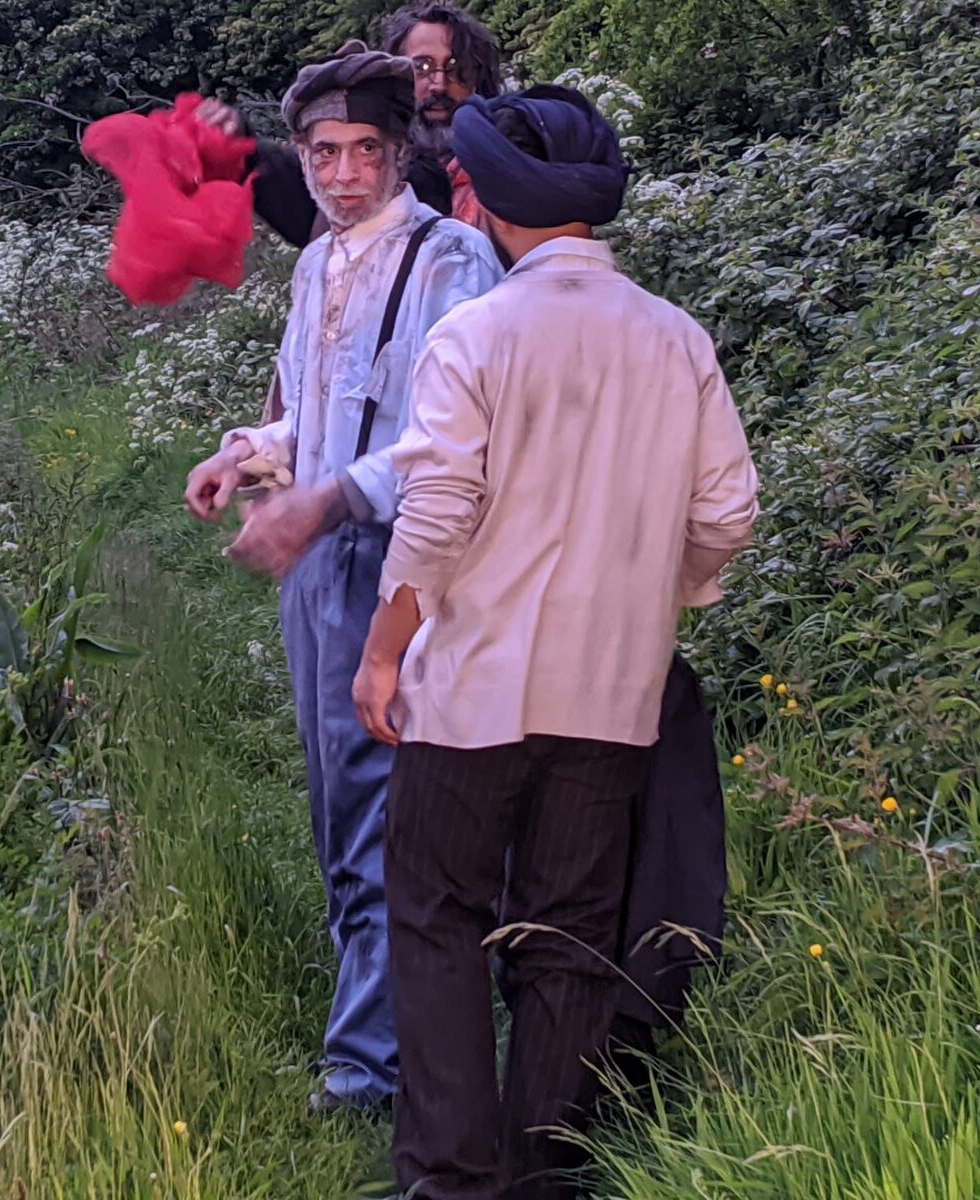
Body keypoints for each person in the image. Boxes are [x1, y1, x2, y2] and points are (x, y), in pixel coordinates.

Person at [352, 86, 758, 1198]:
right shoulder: (676, 339)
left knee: (438, 919)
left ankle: (450, 1174)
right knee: (569, 929)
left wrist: (385, 650)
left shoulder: (474, 334)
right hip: (611, 696)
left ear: (482, 200)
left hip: (470, 692)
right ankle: (543, 1172)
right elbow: (725, 514)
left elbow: (435, 517)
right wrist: (656, 594)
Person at [185, 42, 503, 1114]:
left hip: (403, 557)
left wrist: (325, 498)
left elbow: (443, 437)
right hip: (316, 561)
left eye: (366, 149)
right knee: (332, 801)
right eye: (323, 151)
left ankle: (367, 1066)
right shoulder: (316, 263)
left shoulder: (450, 257)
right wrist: (246, 455)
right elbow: (317, 413)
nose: (342, 172)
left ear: (403, 150)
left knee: (375, 801)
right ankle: (380, 1014)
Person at [197, 3, 503, 247]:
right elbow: (301, 193)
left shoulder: (512, 162)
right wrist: (241, 144)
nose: (438, 84)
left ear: (478, 74)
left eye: (455, 67)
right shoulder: (361, 174)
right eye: (420, 67)